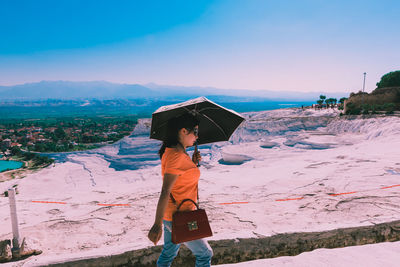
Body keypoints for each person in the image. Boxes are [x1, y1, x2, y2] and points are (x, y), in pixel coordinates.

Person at [148, 113, 213, 267]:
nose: (197, 137)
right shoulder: (176, 155)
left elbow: (181, 179)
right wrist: (157, 224)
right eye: (195, 132)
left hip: (173, 215)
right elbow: (165, 190)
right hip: (181, 216)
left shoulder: (176, 152)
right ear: (183, 131)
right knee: (205, 254)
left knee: (169, 252)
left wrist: (192, 163)